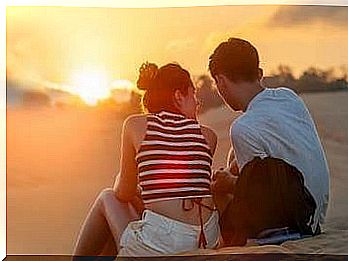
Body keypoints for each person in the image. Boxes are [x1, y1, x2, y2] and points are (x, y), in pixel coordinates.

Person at [73, 62, 221, 258]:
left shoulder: (135, 125)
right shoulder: (208, 136)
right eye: (193, 95)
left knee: (107, 197)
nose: (197, 102)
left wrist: (124, 182)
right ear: (178, 96)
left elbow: (123, 193)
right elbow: (180, 187)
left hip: (167, 242)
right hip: (206, 237)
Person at [209, 38, 330, 246]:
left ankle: (228, 248)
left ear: (220, 82)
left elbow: (255, 195)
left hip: (295, 222)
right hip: (315, 214)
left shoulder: (243, 127)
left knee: (218, 191)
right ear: (259, 74)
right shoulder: (288, 97)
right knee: (233, 161)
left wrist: (226, 183)